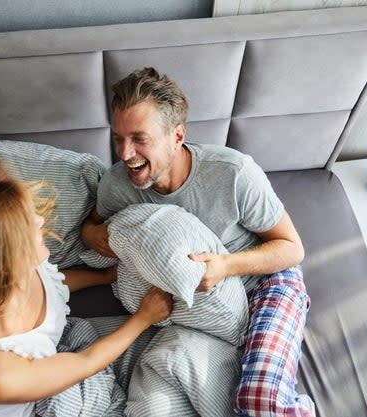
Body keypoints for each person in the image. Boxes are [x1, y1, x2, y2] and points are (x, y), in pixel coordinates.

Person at [82, 67, 314, 417]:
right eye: (118, 138)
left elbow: (292, 248)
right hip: (199, 313)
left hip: (264, 283)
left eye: (139, 138)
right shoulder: (117, 186)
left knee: (260, 400)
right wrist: (91, 235)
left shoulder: (233, 173)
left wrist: (226, 266)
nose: (125, 154)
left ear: (177, 136)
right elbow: (92, 227)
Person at [0, 159, 173, 417]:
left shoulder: (24, 269)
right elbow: (85, 363)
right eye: (26, 222)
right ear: (1, 261)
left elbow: (55, 283)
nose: (39, 221)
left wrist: (105, 276)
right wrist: (143, 318)